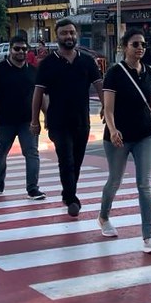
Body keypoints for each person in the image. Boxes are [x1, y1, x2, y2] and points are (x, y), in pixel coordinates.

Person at [99, 28, 151, 253]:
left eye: (143, 44)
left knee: (145, 185)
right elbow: (108, 109)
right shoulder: (115, 73)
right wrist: (112, 130)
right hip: (119, 137)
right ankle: (103, 217)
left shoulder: (147, 71)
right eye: (135, 44)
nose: (140, 48)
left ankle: (148, 237)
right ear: (124, 47)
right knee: (115, 180)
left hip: (144, 134)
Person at [31, 18, 104, 217]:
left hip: (82, 120)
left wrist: (107, 106)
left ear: (76, 35)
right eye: (64, 33)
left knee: (77, 161)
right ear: (57, 36)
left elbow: (99, 85)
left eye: (71, 32)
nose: (69, 36)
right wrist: (35, 120)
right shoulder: (47, 64)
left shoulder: (87, 61)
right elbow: (38, 93)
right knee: (66, 159)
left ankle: (68, 192)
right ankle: (72, 198)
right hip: (57, 121)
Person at [0, 34, 44, 197]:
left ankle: (32, 188)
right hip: (5, 121)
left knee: (32, 152)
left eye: (24, 49)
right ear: (10, 50)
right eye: (17, 49)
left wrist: (47, 115)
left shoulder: (33, 71)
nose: (21, 52)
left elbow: (41, 95)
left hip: (28, 121)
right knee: (1, 154)